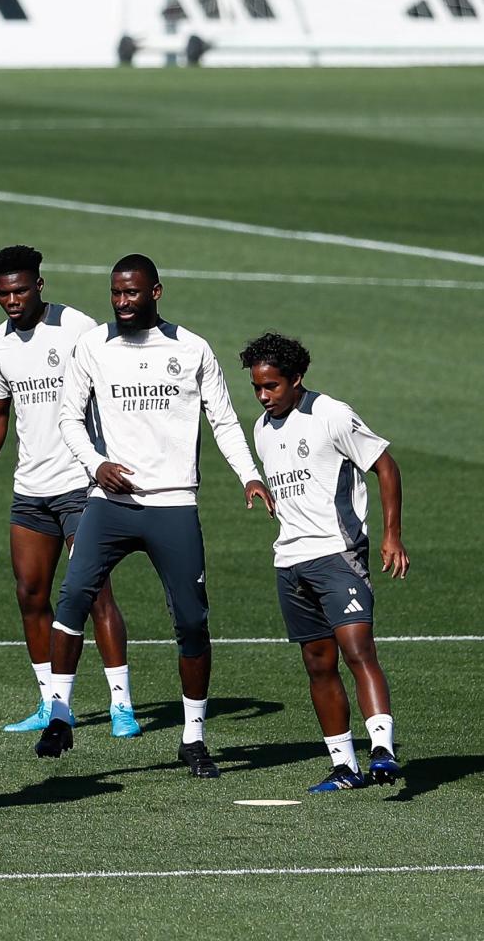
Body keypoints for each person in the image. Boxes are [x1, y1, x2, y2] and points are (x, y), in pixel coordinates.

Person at [41, 254, 272, 778]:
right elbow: (68, 418)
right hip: (111, 504)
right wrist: (96, 464)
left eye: (132, 293)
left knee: (191, 620)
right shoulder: (92, 347)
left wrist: (249, 475)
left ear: (156, 292)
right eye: (116, 293)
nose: (122, 302)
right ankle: (59, 714)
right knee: (73, 596)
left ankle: (193, 737)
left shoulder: (191, 349)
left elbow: (225, 420)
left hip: (173, 505)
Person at [0, 245, 139, 738]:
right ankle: (50, 702)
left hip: (80, 485)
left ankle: (120, 705)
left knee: (93, 593)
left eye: (20, 290)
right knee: (30, 594)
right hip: (31, 487)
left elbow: (117, 392)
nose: (11, 300)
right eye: (3, 292)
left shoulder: (79, 329)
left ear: (39, 285)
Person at [239, 333, 405, 792]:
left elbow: (386, 466)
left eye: (272, 386)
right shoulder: (262, 429)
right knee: (317, 664)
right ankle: (344, 767)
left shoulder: (331, 413)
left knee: (358, 651)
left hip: (338, 554)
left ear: (297, 379)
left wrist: (391, 535)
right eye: (257, 387)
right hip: (289, 561)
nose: (263, 396)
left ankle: (383, 753)